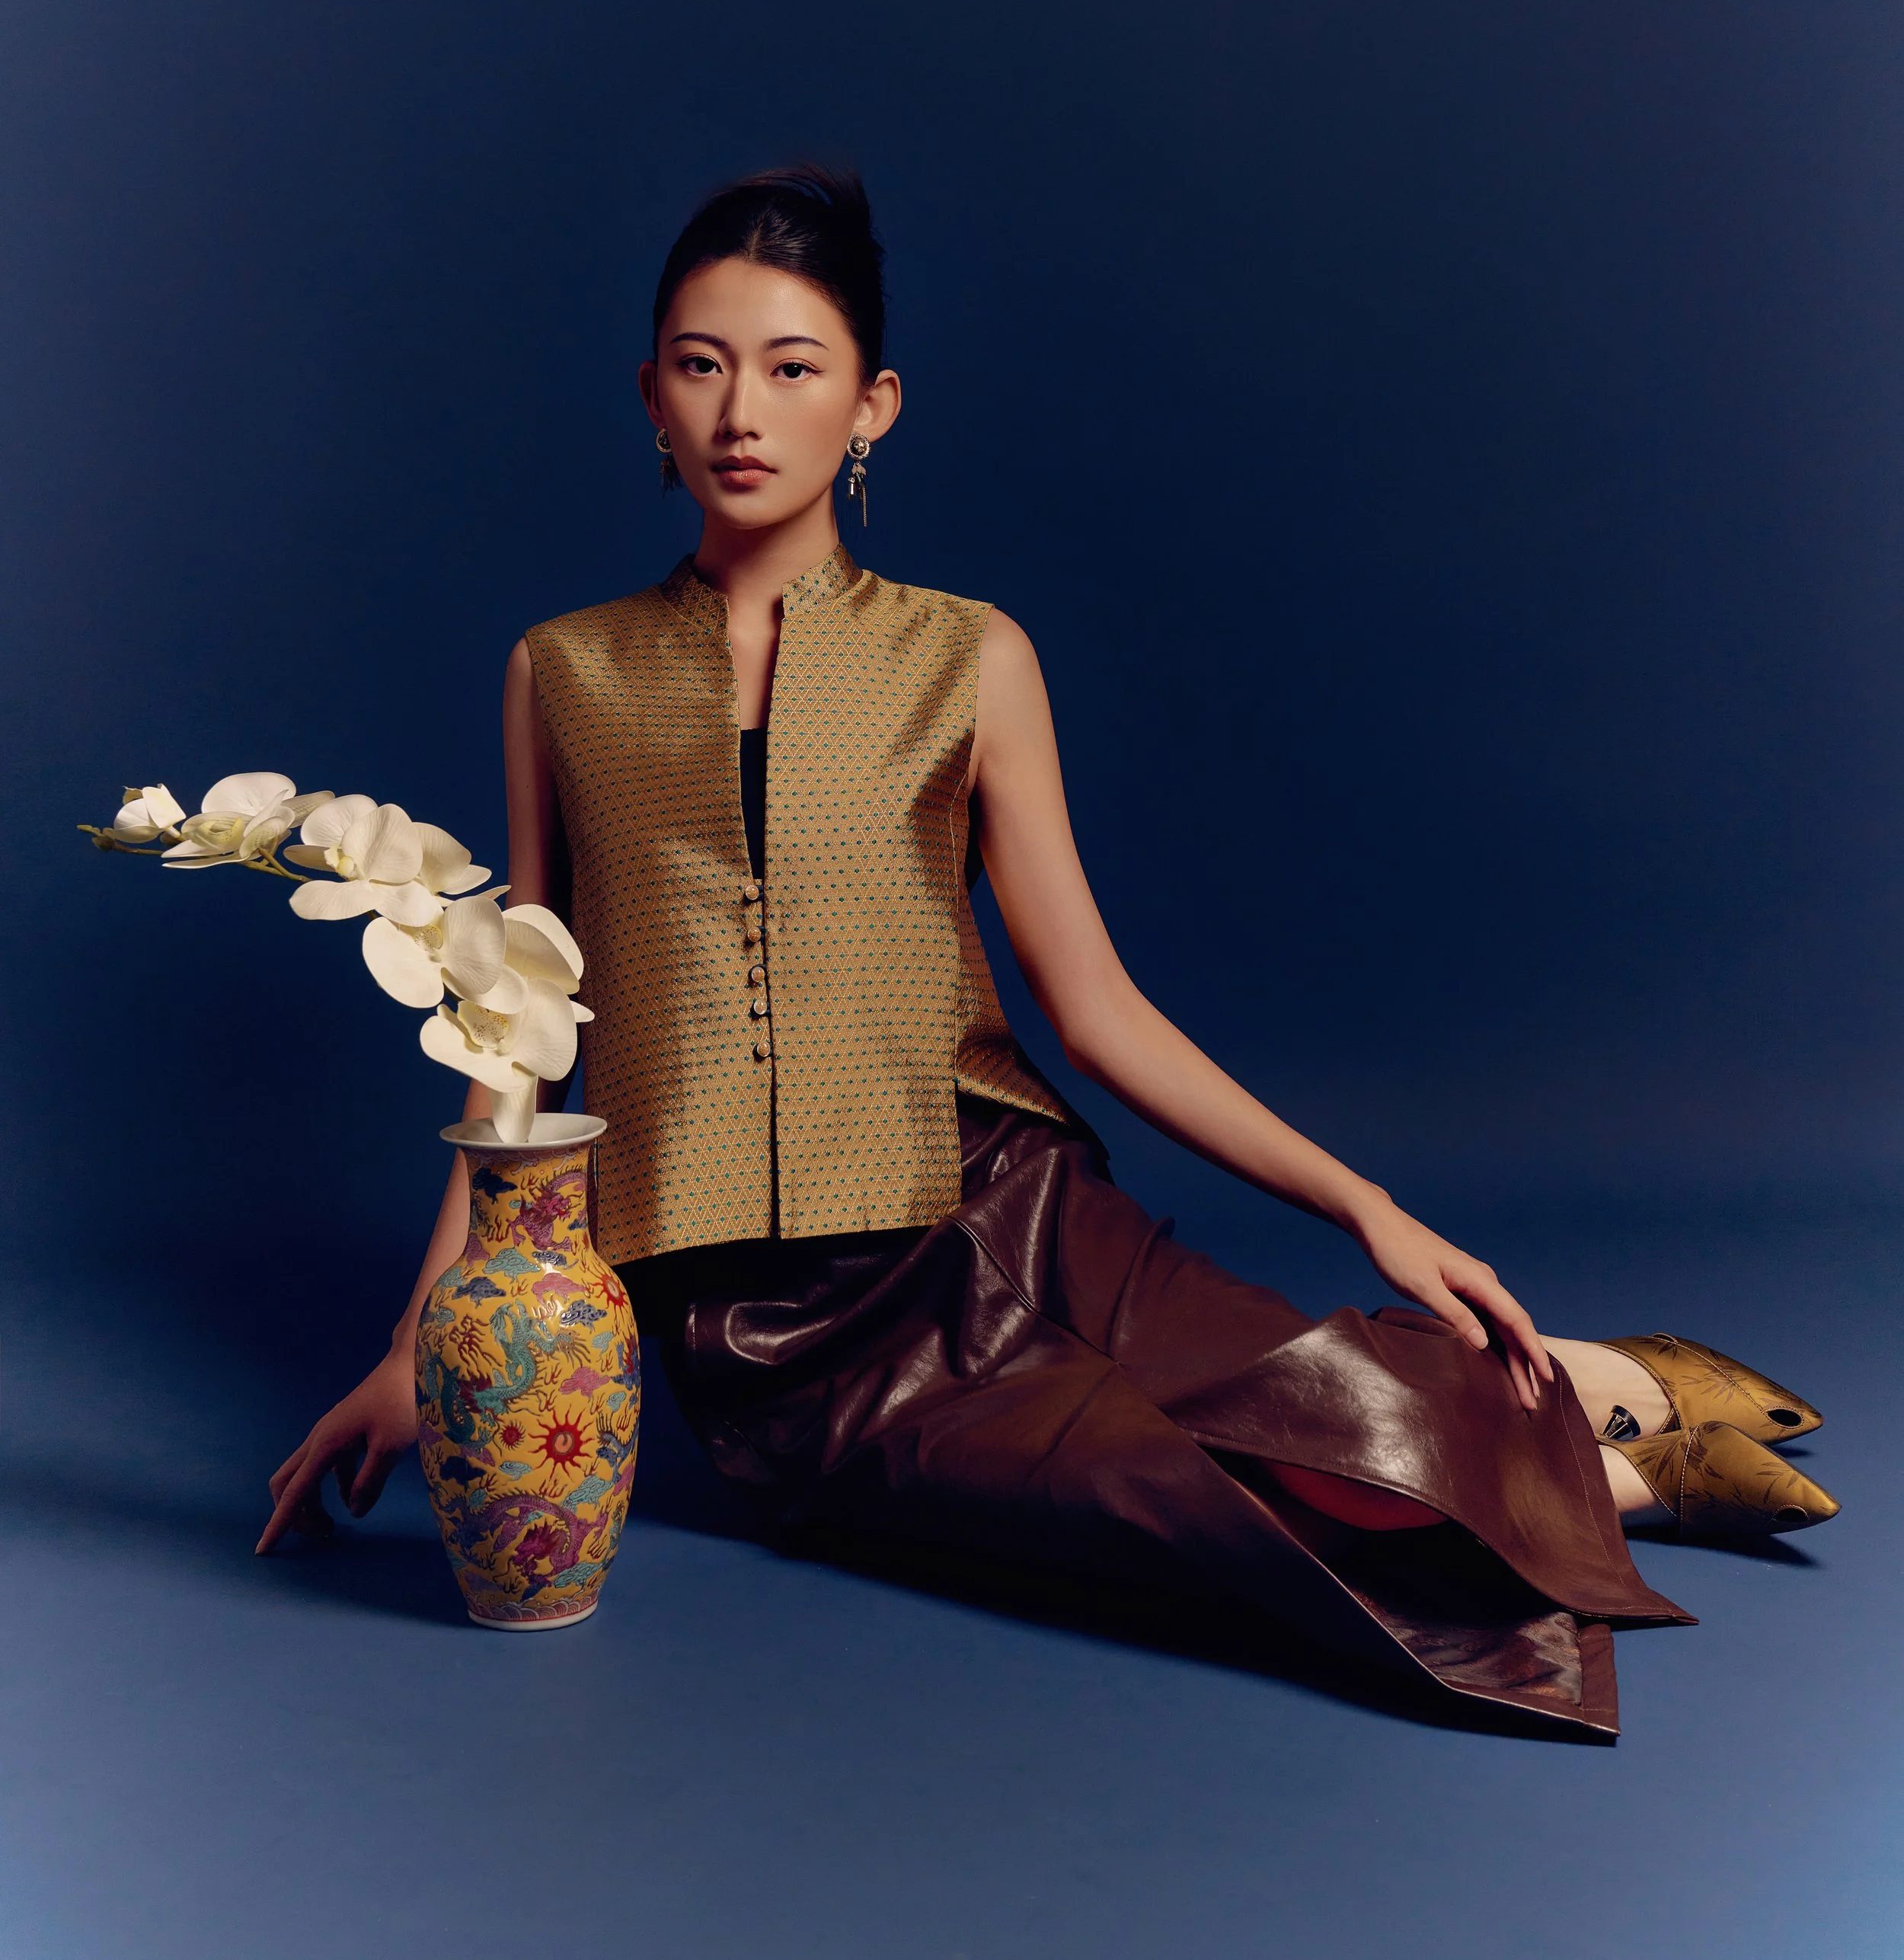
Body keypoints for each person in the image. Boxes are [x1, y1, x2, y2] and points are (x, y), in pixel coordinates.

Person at [261, 167, 1837, 1736]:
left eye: (792, 369)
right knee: (1174, 1506)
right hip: (776, 1341)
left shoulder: (967, 656)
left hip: (1011, 1209)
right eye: (702, 362)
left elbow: (1093, 1013)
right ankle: (1627, 1470)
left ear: (869, 406)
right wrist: (421, 1347)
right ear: (651, 395)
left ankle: (1596, 1385)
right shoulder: (565, 674)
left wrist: (1369, 1208)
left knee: (1317, 1387)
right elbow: (518, 1045)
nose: (743, 410)